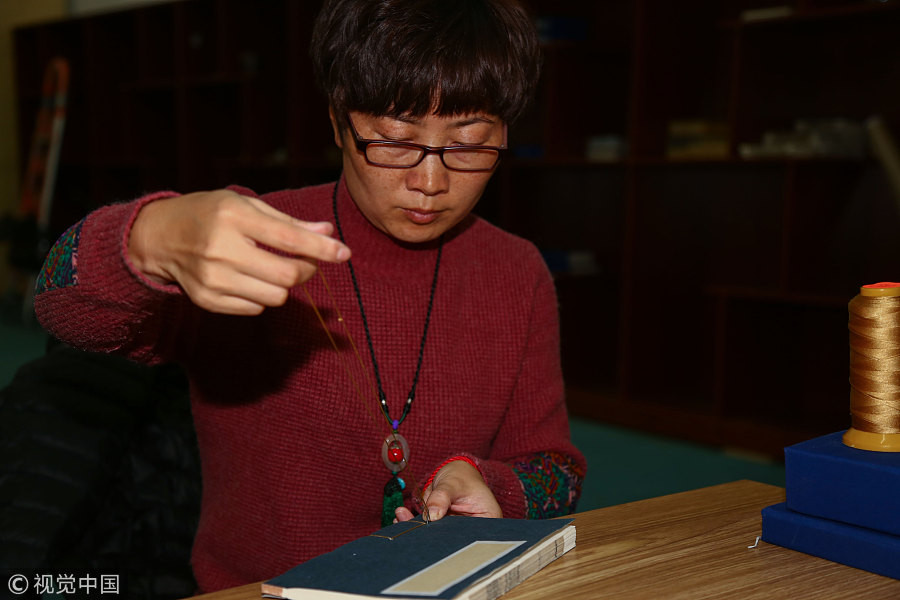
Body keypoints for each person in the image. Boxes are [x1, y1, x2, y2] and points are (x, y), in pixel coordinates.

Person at [34, 0, 586, 593]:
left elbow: (555, 468)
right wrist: (147, 240)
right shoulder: (256, 238)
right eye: (394, 141)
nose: (431, 182)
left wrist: (489, 483)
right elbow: (62, 308)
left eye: (471, 145)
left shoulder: (515, 271)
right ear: (337, 123)